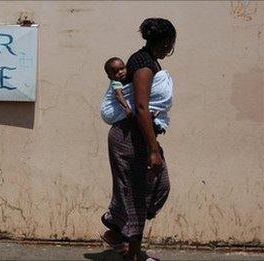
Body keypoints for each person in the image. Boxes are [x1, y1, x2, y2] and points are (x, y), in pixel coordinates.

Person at [100, 18, 176, 261]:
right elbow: (142, 107)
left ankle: (117, 232)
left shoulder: (149, 60)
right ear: (167, 42)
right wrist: (153, 149)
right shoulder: (143, 63)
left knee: (156, 187)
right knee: (137, 195)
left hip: (140, 135)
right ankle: (132, 254)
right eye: (172, 43)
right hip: (130, 137)